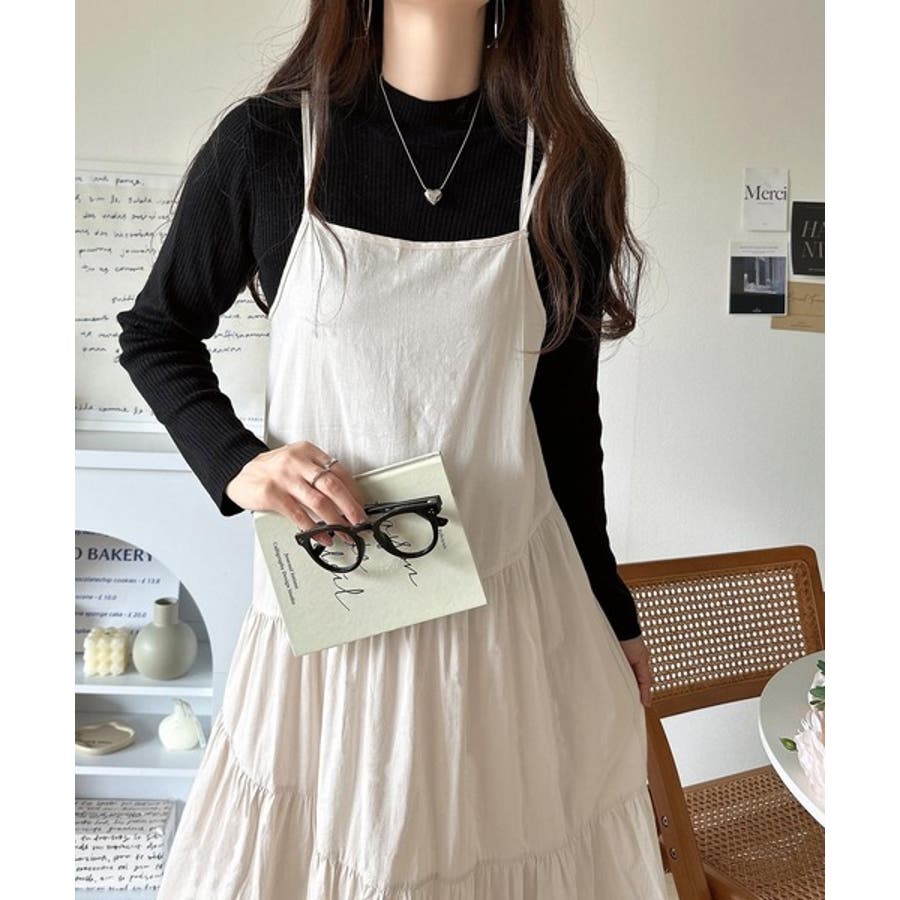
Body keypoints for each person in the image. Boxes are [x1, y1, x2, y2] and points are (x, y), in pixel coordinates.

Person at [116, 1, 668, 897]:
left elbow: (568, 425)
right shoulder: (270, 144)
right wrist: (240, 463)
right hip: (332, 626)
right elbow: (156, 332)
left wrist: (613, 611)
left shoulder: (565, 164)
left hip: (503, 623)